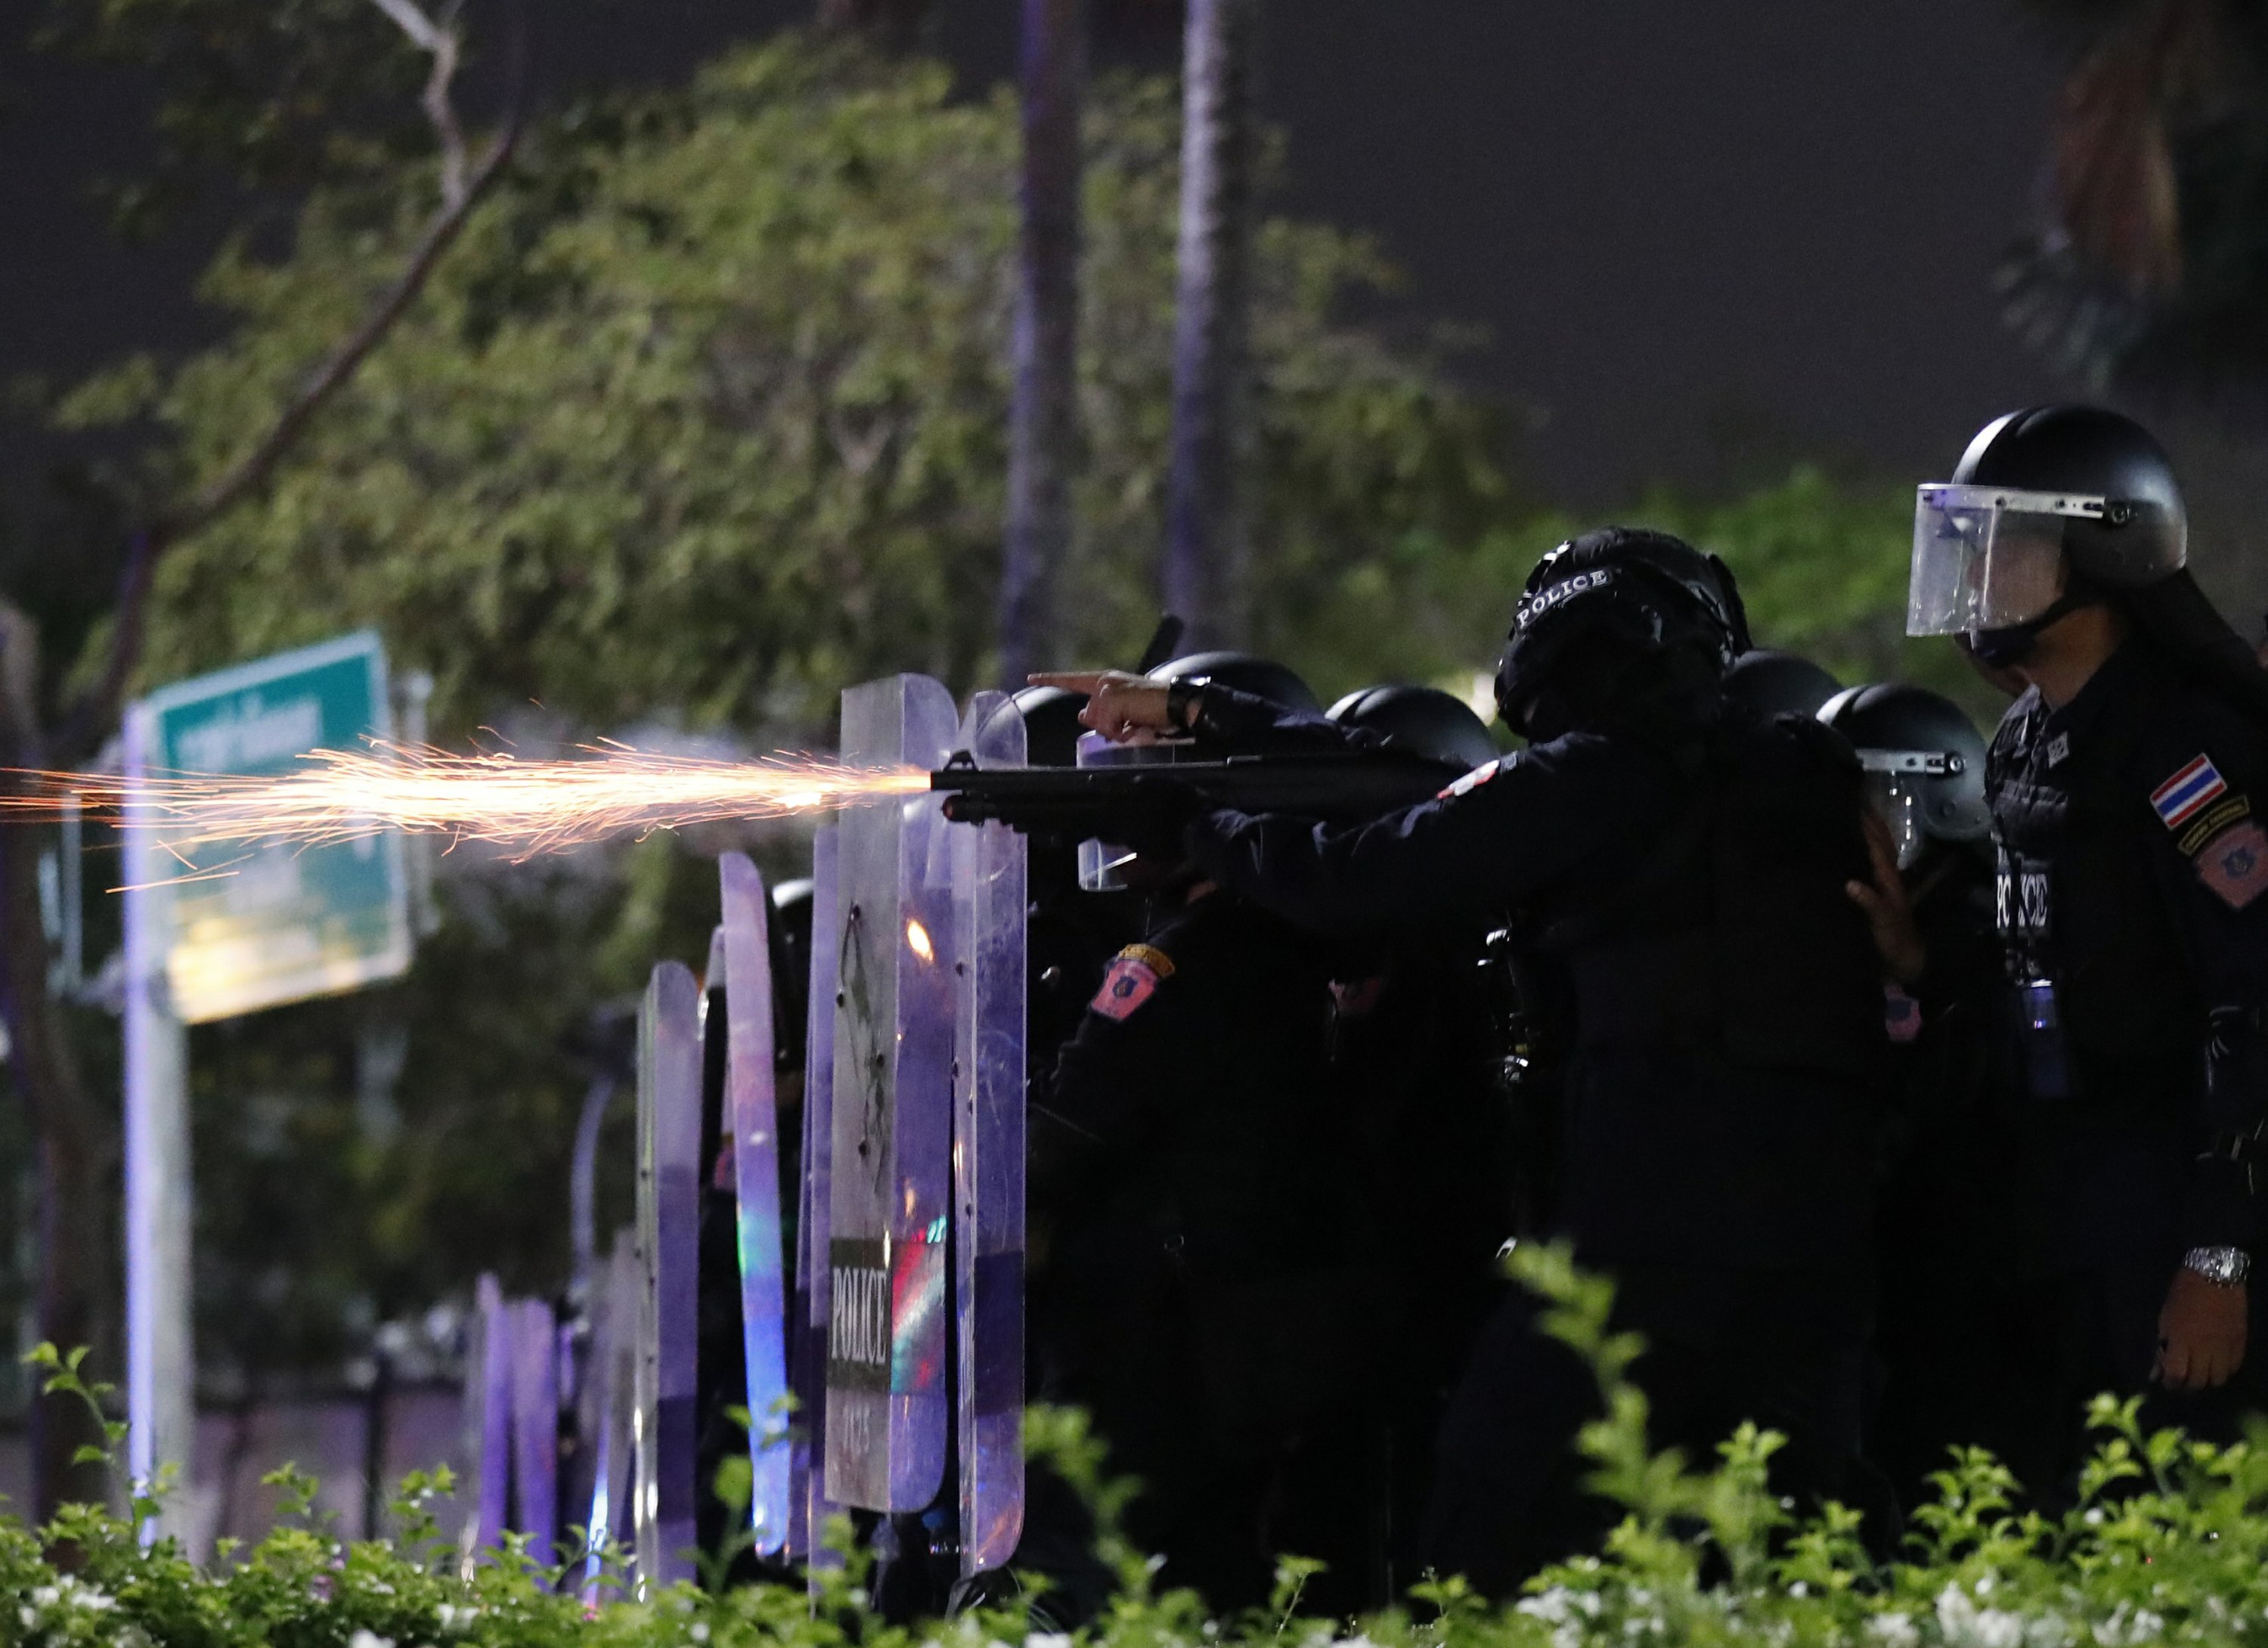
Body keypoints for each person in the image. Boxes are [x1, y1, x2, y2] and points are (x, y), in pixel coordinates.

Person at [1040, 527, 1892, 1594]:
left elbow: (1370, 868)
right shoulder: (1794, 771)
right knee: (1801, 1544)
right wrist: (1208, 717)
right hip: (1813, 1247)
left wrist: (1200, 826)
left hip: (1644, 1245)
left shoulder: (1595, 780)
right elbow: (1428, 790)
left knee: (1484, 1522)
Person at [1901, 404, 2268, 1498]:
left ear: (2104, 550)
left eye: (2005, 539)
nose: (1975, 570)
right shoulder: (2026, 735)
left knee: (2187, 1515)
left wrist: (2219, 1257)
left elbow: (2249, 1009)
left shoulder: (2185, 748)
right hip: (2068, 1197)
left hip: (2173, 1193)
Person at [1020, 653, 1389, 1619]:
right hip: (1250, 1339)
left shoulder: (1178, 960)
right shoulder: (1290, 945)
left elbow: (1064, 1131)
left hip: (1155, 1341)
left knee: (1078, 1581)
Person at [1818, 683, 2014, 1509]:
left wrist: (1923, 972)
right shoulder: (1837, 934)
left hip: (1972, 1292)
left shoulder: (1983, 926)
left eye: (1872, 803)